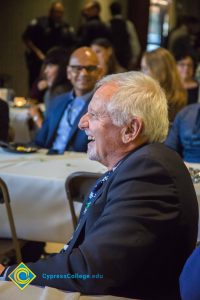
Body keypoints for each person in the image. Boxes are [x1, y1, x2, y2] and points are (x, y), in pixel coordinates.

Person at [0, 72, 198, 300]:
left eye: (94, 114)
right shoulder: (141, 163)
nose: (82, 123)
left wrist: (14, 274)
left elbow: (91, 270)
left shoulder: (148, 171)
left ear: (130, 130)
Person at [33, 46, 101, 153]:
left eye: (90, 68)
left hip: (79, 164)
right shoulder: (57, 101)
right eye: (77, 68)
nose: (83, 73)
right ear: (68, 73)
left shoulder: (103, 106)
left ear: (99, 72)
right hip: (47, 159)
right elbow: (39, 141)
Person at [22, 1, 76, 88]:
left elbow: (72, 44)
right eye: (56, 12)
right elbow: (26, 38)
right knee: (36, 85)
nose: (59, 15)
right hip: (39, 61)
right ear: (51, 12)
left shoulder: (66, 27)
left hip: (58, 64)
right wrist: (38, 53)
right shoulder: (40, 23)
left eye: (61, 12)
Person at [29, 47, 72, 128]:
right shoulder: (71, 90)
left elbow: (50, 133)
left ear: (63, 68)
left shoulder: (56, 93)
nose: (46, 71)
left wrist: (35, 116)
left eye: (50, 66)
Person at [141, 47, 187, 123]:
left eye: (145, 69)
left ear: (158, 71)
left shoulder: (152, 99)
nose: (141, 73)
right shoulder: (180, 94)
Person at [109, 1, 141, 69]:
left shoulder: (108, 25)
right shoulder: (127, 24)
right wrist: (134, 59)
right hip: (125, 58)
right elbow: (134, 43)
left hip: (112, 58)